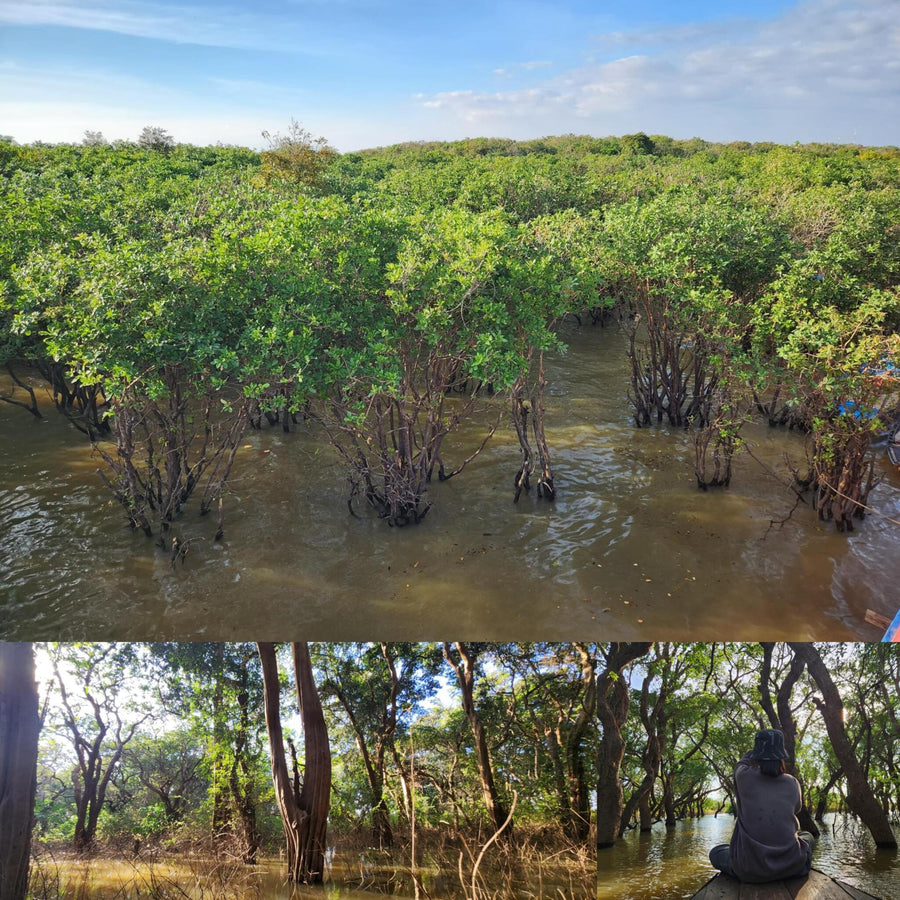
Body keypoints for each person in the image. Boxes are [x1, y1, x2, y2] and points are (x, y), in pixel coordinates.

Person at [709, 729, 815, 883]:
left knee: (716, 852)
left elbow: (742, 762)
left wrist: (759, 749)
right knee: (808, 836)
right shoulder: (792, 782)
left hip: (749, 870)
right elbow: (796, 808)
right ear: (781, 757)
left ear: (756, 755)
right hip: (793, 867)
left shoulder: (743, 776)